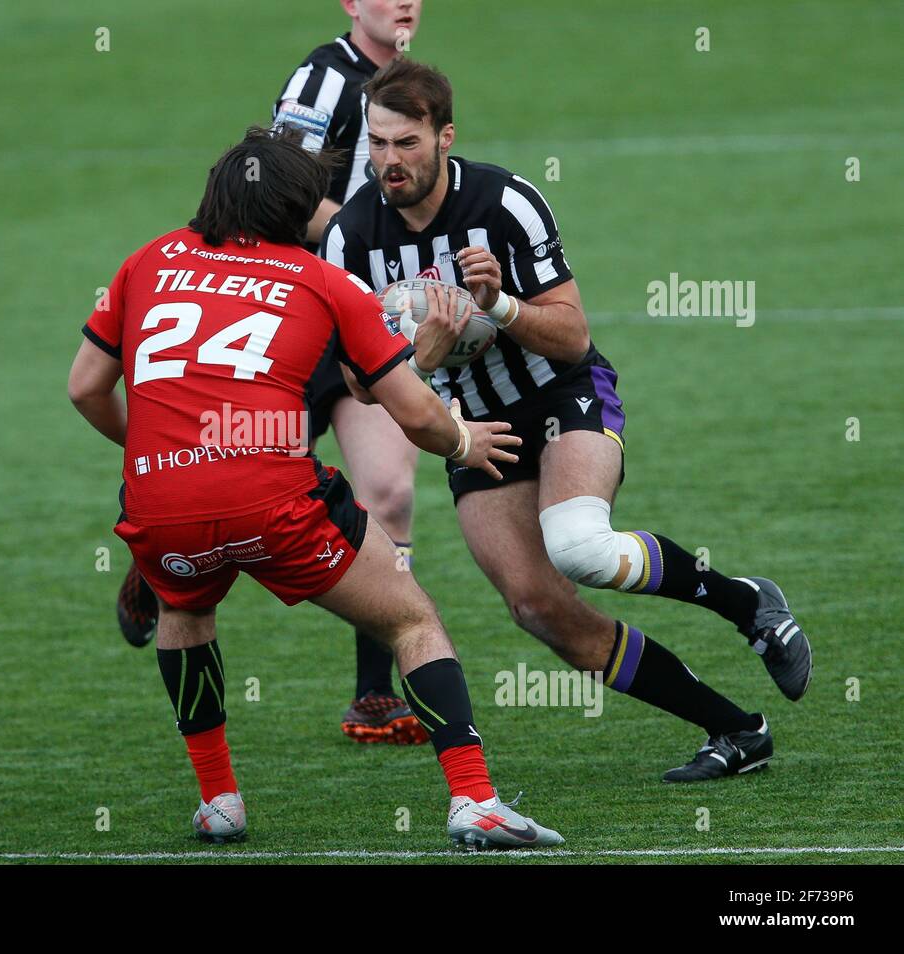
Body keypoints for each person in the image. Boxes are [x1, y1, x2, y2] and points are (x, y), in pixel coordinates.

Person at [69, 125, 562, 847]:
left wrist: (157, 454)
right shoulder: (321, 279)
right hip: (274, 499)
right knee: (411, 621)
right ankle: (474, 801)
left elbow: (85, 388)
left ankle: (221, 802)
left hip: (160, 503)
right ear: (295, 210)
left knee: (185, 612)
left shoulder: (149, 260)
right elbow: (415, 415)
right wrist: (463, 437)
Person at [326, 59, 812, 782]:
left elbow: (573, 334)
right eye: (378, 143)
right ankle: (737, 731)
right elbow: (357, 388)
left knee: (579, 546)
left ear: (444, 137)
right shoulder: (352, 238)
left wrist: (498, 307)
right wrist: (420, 360)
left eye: (407, 143)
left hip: (561, 394)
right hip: (474, 424)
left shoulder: (507, 202)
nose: (389, 162)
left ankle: (747, 601)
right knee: (538, 609)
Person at [117, 0, 433, 747]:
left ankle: (373, 697)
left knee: (387, 488)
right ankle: (155, 568)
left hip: (353, 312)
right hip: (280, 318)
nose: (404, 3)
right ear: (352, 5)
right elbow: (278, 193)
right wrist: (365, 233)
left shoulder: (411, 88)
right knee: (227, 464)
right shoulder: (326, 78)